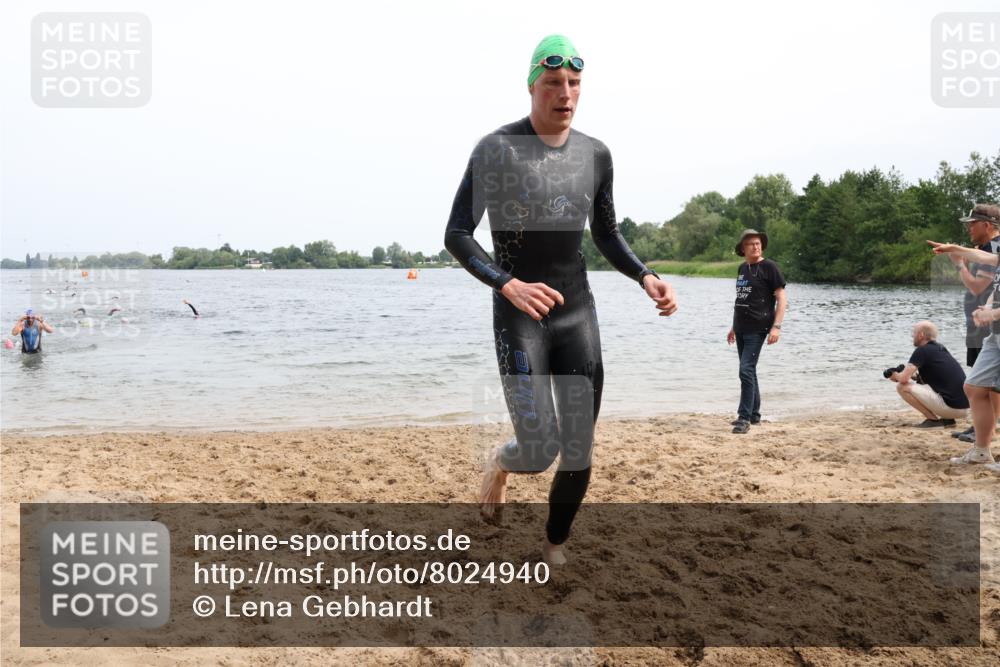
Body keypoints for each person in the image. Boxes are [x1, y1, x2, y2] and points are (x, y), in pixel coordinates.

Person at [444, 34, 678, 565]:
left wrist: (647, 276)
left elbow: (607, 233)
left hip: (577, 314)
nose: (565, 93)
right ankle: (500, 465)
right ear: (532, 86)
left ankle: (553, 544)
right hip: (519, 312)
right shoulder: (496, 149)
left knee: (577, 450)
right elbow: (457, 233)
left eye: (574, 83)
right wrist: (507, 283)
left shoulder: (595, 154)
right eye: (553, 82)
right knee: (538, 449)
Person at [928, 230, 1000, 466]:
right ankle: (981, 451)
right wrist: (952, 248)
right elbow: (981, 257)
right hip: (996, 335)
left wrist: (992, 313)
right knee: (974, 387)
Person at [727, 230, 786, 434]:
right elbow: (741, 300)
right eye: (751, 244)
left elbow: (782, 298)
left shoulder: (769, 267)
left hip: (758, 328)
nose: (756, 246)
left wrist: (776, 327)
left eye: (758, 243)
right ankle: (754, 415)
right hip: (741, 327)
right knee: (749, 370)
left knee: (745, 370)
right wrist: (733, 327)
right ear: (743, 249)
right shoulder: (742, 268)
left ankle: (743, 418)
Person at [949, 204, 1000, 439]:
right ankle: (983, 434)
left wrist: (960, 264)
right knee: (978, 382)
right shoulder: (989, 249)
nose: (969, 228)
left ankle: (989, 428)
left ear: (987, 225)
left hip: (990, 323)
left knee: (990, 384)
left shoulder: (992, 246)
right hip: (987, 322)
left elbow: (978, 286)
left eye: (972, 223)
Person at [886, 321, 968, 427]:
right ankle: (948, 420)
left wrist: (894, 375)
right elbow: (936, 377)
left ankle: (932, 420)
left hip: (950, 408)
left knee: (902, 387)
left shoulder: (922, 350)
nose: (912, 335)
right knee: (924, 385)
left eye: (914, 333)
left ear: (921, 335)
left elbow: (903, 380)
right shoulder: (941, 349)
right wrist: (911, 376)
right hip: (964, 408)